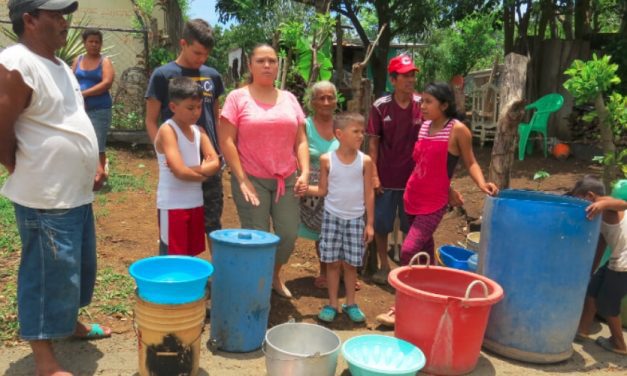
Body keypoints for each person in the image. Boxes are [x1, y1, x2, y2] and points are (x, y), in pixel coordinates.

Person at [0, 1, 111, 375]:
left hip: (75, 194)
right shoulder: (15, 64)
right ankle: (45, 360)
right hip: (45, 198)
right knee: (45, 275)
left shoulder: (61, 66)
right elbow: (2, 127)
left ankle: (70, 325)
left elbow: (69, 119)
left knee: (76, 268)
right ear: (30, 20)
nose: (66, 23)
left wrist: (92, 161)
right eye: (57, 16)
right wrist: (17, 165)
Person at [376, 82, 498, 327]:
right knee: (425, 255)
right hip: (413, 197)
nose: (423, 107)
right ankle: (432, 303)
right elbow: (425, 166)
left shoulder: (458, 130)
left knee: (409, 250)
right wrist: (450, 187)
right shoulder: (424, 127)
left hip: (433, 203)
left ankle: (399, 308)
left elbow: (470, 161)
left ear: (445, 105)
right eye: (422, 102)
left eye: (429, 102)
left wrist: (482, 184)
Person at [219, 44, 309, 299]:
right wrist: (242, 179)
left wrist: (304, 172)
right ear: (250, 65)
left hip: (286, 178)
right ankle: (255, 288)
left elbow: (301, 139)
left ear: (278, 65)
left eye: (272, 61)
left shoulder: (289, 99)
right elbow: (227, 140)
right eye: (261, 61)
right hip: (252, 179)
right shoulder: (238, 98)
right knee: (257, 237)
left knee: (289, 234)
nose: (267, 65)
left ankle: (273, 275)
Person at [145, 19, 224, 249]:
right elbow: (151, 120)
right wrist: (162, 154)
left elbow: (215, 116)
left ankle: (213, 276)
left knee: (211, 222)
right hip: (176, 157)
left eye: (206, 54)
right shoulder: (163, 75)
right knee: (176, 221)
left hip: (209, 156)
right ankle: (170, 275)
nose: (202, 59)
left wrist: (217, 155)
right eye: (197, 52)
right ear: (183, 43)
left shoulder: (212, 76)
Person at [307, 112, 374, 323]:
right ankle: (333, 303)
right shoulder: (327, 160)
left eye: (362, 132)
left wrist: (369, 223)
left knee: (351, 265)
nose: (360, 136)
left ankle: (351, 303)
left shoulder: (366, 161)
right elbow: (322, 190)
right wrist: (302, 188)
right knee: (333, 263)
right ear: (339, 134)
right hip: (332, 218)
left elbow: (369, 192)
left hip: (355, 219)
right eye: (355, 131)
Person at [367, 54, 422, 285]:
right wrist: (374, 175)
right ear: (393, 80)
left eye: (412, 76)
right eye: (404, 76)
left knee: (412, 226)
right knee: (381, 224)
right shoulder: (381, 107)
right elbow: (373, 142)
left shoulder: (423, 105)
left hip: (413, 179)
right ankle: (383, 265)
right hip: (386, 177)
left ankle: (406, 269)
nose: (409, 80)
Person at [155, 77, 220, 256]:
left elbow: (215, 162)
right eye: (190, 108)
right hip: (173, 204)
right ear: (174, 107)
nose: (196, 112)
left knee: (190, 255)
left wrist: (191, 171)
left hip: (195, 202)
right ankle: (168, 285)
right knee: (172, 256)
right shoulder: (168, 130)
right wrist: (204, 172)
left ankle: (189, 285)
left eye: (199, 107)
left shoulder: (199, 131)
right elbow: (179, 171)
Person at [572, 176, 627, 356]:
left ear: (589, 195)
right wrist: (591, 269)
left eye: (578, 199)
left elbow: (622, 203)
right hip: (617, 258)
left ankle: (620, 344)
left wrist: (601, 205)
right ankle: (583, 331)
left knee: (607, 304)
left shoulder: (604, 203)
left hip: (623, 263)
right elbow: (602, 243)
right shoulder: (597, 217)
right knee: (592, 289)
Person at [298, 81, 339, 289]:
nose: (326, 102)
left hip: (342, 185)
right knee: (322, 230)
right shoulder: (305, 125)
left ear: (336, 100)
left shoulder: (343, 124)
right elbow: (296, 151)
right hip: (315, 186)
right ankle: (325, 271)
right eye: (320, 98)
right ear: (312, 102)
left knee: (343, 227)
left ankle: (343, 271)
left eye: (330, 97)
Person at [72, 28, 114, 189]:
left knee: (98, 145)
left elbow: (107, 83)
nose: (94, 45)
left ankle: (100, 177)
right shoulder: (78, 59)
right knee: (81, 143)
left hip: (100, 110)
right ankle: (84, 175)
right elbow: (70, 77)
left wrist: (83, 94)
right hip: (79, 110)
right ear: (84, 43)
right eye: (91, 41)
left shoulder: (105, 61)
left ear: (101, 44)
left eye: (97, 42)